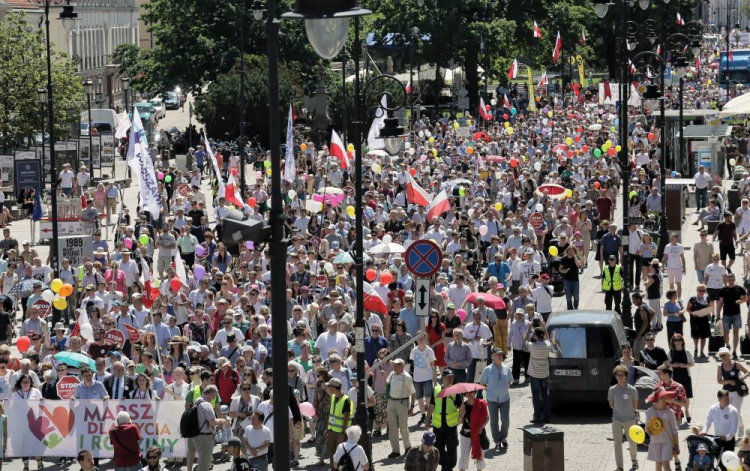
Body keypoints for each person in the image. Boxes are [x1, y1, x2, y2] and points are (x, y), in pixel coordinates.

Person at [425, 368, 461, 471]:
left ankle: (448, 467)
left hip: (451, 425)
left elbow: (460, 406)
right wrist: (427, 420)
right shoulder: (436, 390)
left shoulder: (455, 391)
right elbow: (431, 406)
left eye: (452, 377)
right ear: (443, 378)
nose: (451, 379)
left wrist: (461, 414)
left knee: (452, 447)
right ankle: (445, 463)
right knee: (438, 447)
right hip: (438, 425)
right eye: (448, 377)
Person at [186, 385, 226, 471]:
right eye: (214, 395)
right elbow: (212, 422)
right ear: (210, 394)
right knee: (204, 462)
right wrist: (222, 420)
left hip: (196, 435)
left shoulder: (195, 402)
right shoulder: (207, 405)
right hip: (205, 437)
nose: (214, 398)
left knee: (201, 459)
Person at [480, 349, 512, 450]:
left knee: (505, 420)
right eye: (497, 354)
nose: (500, 356)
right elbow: (483, 383)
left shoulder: (506, 368)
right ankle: (497, 441)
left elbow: (510, 381)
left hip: (505, 398)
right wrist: (490, 390)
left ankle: (503, 437)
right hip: (492, 399)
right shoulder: (488, 369)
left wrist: (504, 389)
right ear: (493, 355)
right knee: (494, 421)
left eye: (501, 355)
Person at [609, 365, 639, 471]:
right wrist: (619, 410)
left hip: (630, 420)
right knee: (617, 443)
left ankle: (634, 460)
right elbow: (611, 404)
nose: (620, 377)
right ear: (616, 376)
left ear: (626, 376)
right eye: (618, 375)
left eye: (622, 375)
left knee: (632, 442)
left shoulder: (632, 390)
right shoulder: (612, 390)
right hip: (617, 420)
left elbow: (635, 404)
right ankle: (620, 466)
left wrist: (628, 411)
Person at [701, 390, 740, 471]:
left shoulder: (733, 410)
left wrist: (727, 437)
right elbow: (707, 422)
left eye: (728, 398)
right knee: (720, 462)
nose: (727, 400)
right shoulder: (713, 408)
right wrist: (704, 431)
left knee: (727, 462)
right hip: (717, 439)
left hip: (728, 441)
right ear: (719, 399)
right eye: (725, 399)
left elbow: (734, 428)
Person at [386, 358, 415, 458]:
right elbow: (387, 384)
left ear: (402, 366)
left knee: (403, 427)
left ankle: (407, 447)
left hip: (402, 402)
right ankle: (395, 450)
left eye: (397, 365)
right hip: (391, 402)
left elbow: (413, 392)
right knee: (392, 428)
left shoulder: (407, 377)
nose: (395, 367)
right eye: (394, 365)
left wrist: (412, 406)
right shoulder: (392, 374)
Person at [645, 387, 679, 471]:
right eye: (662, 397)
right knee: (658, 466)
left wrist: (677, 445)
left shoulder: (669, 412)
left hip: (667, 441)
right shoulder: (650, 411)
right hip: (655, 442)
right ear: (656, 399)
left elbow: (674, 430)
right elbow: (647, 428)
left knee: (665, 464)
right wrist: (649, 430)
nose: (664, 399)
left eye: (665, 397)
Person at [717, 347, 749, 436]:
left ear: (728, 355)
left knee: (736, 412)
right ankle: (731, 429)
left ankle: (740, 426)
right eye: (721, 356)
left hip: (737, 392)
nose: (722, 357)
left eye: (724, 355)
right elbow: (719, 380)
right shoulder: (720, 366)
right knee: (726, 410)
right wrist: (729, 381)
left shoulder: (736, 364)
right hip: (726, 393)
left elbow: (747, 372)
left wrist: (742, 378)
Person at [458, 388, 488, 471]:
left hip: (479, 434)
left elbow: (487, 418)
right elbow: (459, 422)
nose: (470, 394)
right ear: (466, 394)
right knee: (464, 457)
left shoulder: (481, 404)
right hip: (466, 434)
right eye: (468, 392)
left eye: (472, 392)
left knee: (480, 458)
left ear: (475, 392)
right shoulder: (463, 405)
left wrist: (481, 428)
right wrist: (462, 414)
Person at [717, 273, 747, 359]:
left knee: (736, 332)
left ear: (734, 279)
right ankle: (728, 345)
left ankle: (734, 351)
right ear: (727, 280)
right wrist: (718, 314)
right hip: (726, 314)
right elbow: (720, 303)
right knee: (726, 332)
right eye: (729, 280)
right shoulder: (723, 290)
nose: (731, 281)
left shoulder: (739, 289)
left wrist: (740, 301)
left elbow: (745, 298)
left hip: (736, 314)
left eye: (732, 279)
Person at [527, 327, 552, 424]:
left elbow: (525, 340)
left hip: (534, 375)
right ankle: (547, 417)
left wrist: (529, 328)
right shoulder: (547, 345)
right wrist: (543, 326)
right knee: (545, 396)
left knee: (536, 397)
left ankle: (537, 417)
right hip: (544, 374)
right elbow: (548, 338)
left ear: (536, 336)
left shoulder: (532, 346)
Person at [326, 377, 353, 468]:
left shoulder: (346, 400)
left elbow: (346, 418)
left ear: (334, 387)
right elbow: (331, 415)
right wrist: (327, 429)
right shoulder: (333, 397)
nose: (328, 388)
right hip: (332, 431)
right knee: (332, 455)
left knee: (341, 456)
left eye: (329, 386)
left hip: (341, 433)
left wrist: (342, 434)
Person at [686, 284, 712, 358]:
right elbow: (688, 309)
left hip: (704, 319)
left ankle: (702, 351)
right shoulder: (693, 299)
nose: (702, 292)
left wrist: (708, 312)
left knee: (703, 336)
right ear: (697, 291)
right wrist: (692, 313)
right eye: (700, 290)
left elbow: (709, 308)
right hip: (695, 319)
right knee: (695, 335)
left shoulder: (707, 298)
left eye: (703, 290)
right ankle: (696, 349)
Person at [662, 233, 686, 300]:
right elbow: (664, 257)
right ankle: (672, 297)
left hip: (678, 267)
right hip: (670, 267)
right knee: (671, 284)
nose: (672, 238)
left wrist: (684, 268)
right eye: (672, 236)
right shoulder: (667, 246)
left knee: (678, 283)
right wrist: (663, 267)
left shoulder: (680, 246)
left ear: (677, 238)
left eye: (674, 237)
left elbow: (683, 258)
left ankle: (679, 298)